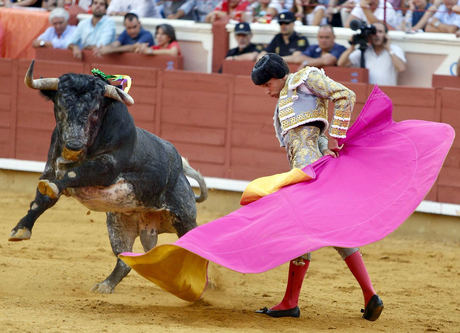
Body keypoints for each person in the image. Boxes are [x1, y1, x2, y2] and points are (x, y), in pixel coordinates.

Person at [250, 53, 383, 320]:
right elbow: (316, 134)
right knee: (334, 232)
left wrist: (337, 137)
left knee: (299, 232)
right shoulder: (288, 98)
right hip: (308, 170)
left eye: (267, 85)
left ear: (277, 77)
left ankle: (290, 302)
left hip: (309, 173)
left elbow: (346, 95)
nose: (267, 91)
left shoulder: (306, 78)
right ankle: (370, 295)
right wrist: (326, 148)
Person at [337, 21, 406, 86]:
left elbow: (401, 68)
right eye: (374, 32)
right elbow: (341, 64)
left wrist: (388, 49)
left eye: (380, 32)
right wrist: (351, 47)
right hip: (368, 93)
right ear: (369, 35)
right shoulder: (364, 50)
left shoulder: (394, 49)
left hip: (386, 93)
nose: (377, 35)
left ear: (386, 35)